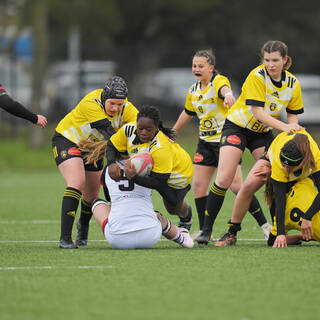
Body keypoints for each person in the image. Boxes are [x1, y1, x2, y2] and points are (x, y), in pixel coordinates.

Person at [197, 40, 304, 245]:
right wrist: (286, 128)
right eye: (267, 60)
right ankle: (206, 230)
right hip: (237, 127)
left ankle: (275, 232)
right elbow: (258, 113)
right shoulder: (257, 76)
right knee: (225, 178)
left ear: (285, 60)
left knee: (274, 177)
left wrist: (292, 131)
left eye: (275, 60)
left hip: (262, 133)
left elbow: (293, 117)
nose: (271, 64)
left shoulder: (293, 84)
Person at [172, 50, 270, 239]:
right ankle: (204, 231)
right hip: (205, 144)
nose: (196, 69)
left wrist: (228, 95)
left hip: (226, 143)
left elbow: (224, 88)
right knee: (199, 187)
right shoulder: (193, 90)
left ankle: (265, 225)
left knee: (237, 187)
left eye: (201, 66)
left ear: (211, 68)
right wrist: (173, 132)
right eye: (194, 66)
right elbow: (187, 112)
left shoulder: (218, 81)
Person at [52, 76, 138, 249]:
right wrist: (117, 158)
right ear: (104, 97)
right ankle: (65, 239)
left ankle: (82, 227)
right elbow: (109, 132)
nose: (115, 108)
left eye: (120, 105)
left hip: (93, 147)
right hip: (68, 140)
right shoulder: (91, 103)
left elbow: (143, 127)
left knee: (91, 195)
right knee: (77, 182)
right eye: (112, 103)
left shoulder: (127, 108)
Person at [106, 105, 194, 230]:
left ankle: (186, 215)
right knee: (108, 172)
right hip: (157, 170)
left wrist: (133, 178)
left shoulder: (161, 147)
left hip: (178, 173)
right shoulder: (128, 130)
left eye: (148, 129)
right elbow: (111, 144)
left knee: (173, 206)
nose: (143, 133)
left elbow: (159, 182)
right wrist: (111, 164)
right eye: (140, 128)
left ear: (156, 127)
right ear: (136, 124)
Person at [92, 160, 194, 249]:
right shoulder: (148, 165)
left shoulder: (109, 169)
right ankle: (182, 239)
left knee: (98, 203)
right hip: (150, 235)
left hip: (118, 239)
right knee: (156, 216)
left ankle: (82, 233)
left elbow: (108, 198)